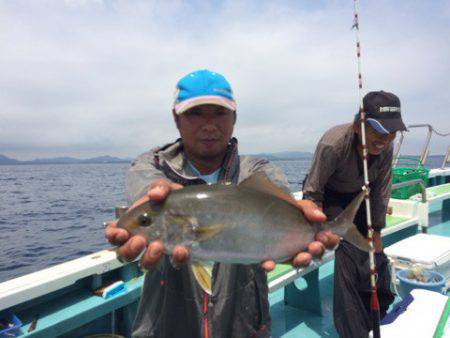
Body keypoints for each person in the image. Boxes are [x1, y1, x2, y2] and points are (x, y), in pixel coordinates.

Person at [105, 69, 339, 338]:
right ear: (176, 119)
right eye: (194, 114)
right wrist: (152, 194)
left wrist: (305, 228)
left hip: (244, 327)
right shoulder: (152, 166)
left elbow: (276, 196)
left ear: (234, 118)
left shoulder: (257, 170)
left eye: (218, 113)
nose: (208, 125)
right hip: (166, 328)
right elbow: (145, 182)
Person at [303, 91, 407, 337]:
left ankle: (376, 313)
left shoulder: (385, 146)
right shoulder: (334, 143)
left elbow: (381, 189)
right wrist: (316, 230)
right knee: (348, 248)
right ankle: (353, 330)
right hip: (329, 195)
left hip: (360, 195)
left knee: (374, 254)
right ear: (360, 124)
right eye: (379, 130)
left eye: (392, 132)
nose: (385, 138)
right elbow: (313, 191)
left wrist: (377, 232)